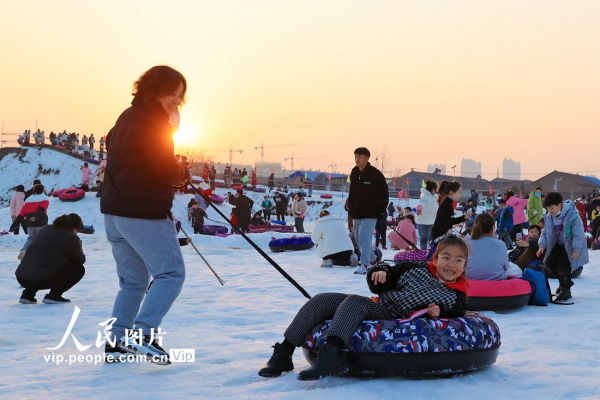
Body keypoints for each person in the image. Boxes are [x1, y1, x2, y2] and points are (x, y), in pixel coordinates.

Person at [258, 236, 469, 380]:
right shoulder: (416, 268)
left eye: (458, 260)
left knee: (356, 302)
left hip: (391, 316)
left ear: (465, 265)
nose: (451, 264)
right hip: (381, 304)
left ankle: (331, 353)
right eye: (446, 257)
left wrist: (439, 312)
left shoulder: (457, 292)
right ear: (435, 258)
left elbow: (459, 310)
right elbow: (389, 271)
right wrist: (381, 273)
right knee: (322, 300)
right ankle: (284, 352)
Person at [101, 65, 190, 363]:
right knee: (171, 272)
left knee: (133, 282)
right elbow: (165, 169)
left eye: (181, 96)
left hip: (115, 212)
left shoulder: (127, 116)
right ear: (155, 90)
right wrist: (181, 171)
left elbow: (118, 149)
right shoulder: (154, 122)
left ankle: (116, 341)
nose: (177, 101)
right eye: (173, 94)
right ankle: (144, 333)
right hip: (142, 211)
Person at [15, 214, 86, 304]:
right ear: (74, 228)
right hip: (41, 279)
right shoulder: (71, 237)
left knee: (41, 262)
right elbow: (81, 260)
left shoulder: (45, 229)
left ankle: (27, 295)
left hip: (22, 277)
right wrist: (79, 247)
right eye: (78, 230)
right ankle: (54, 295)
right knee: (78, 269)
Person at [537, 192, 589, 302]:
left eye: (552, 208)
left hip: (569, 246)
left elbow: (578, 234)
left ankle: (566, 290)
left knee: (563, 267)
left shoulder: (572, 216)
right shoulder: (549, 217)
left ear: (560, 205)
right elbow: (545, 232)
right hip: (557, 245)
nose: (550, 211)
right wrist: (542, 245)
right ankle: (562, 285)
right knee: (550, 265)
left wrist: (576, 250)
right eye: (548, 209)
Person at [347, 147, 389, 274]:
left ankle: (365, 264)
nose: (357, 159)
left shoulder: (375, 174)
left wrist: (381, 210)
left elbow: (384, 194)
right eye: (355, 156)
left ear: (366, 158)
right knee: (357, 238)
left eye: (359, 157)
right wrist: (350, 207)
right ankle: (372, 260)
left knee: (365, 238)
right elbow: (352, 192)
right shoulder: (354, 173)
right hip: (357, 213)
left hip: (371, 213)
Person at [465, 213, 517, 280]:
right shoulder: (501, 244)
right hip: (496, 283)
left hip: (470, 281)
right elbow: (505, 266)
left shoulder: (466, 241)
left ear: (475, 225)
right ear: (493, 227)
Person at [17, 184, 50, 259]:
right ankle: (41, 256)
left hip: (29, 223)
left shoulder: (28, 200)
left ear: (34, 190)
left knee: (30, 238)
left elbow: (21, 214)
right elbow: (41, 210)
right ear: (43, 190)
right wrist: (35, 217)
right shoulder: (44, 198)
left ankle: (23, 251)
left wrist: (14, 224)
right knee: (42, 238)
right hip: (40, 222)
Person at [415, 180, 439, 250]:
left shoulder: (433, 197)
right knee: (424, 238)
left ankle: (429, 252)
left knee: (429, 237)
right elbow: (421, 203)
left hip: (430, 220)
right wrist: (419, 209)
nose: (436, 191)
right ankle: (423, 253)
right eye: (436, 189)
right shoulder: (425, 196)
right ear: (433, 189)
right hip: (423, 221)